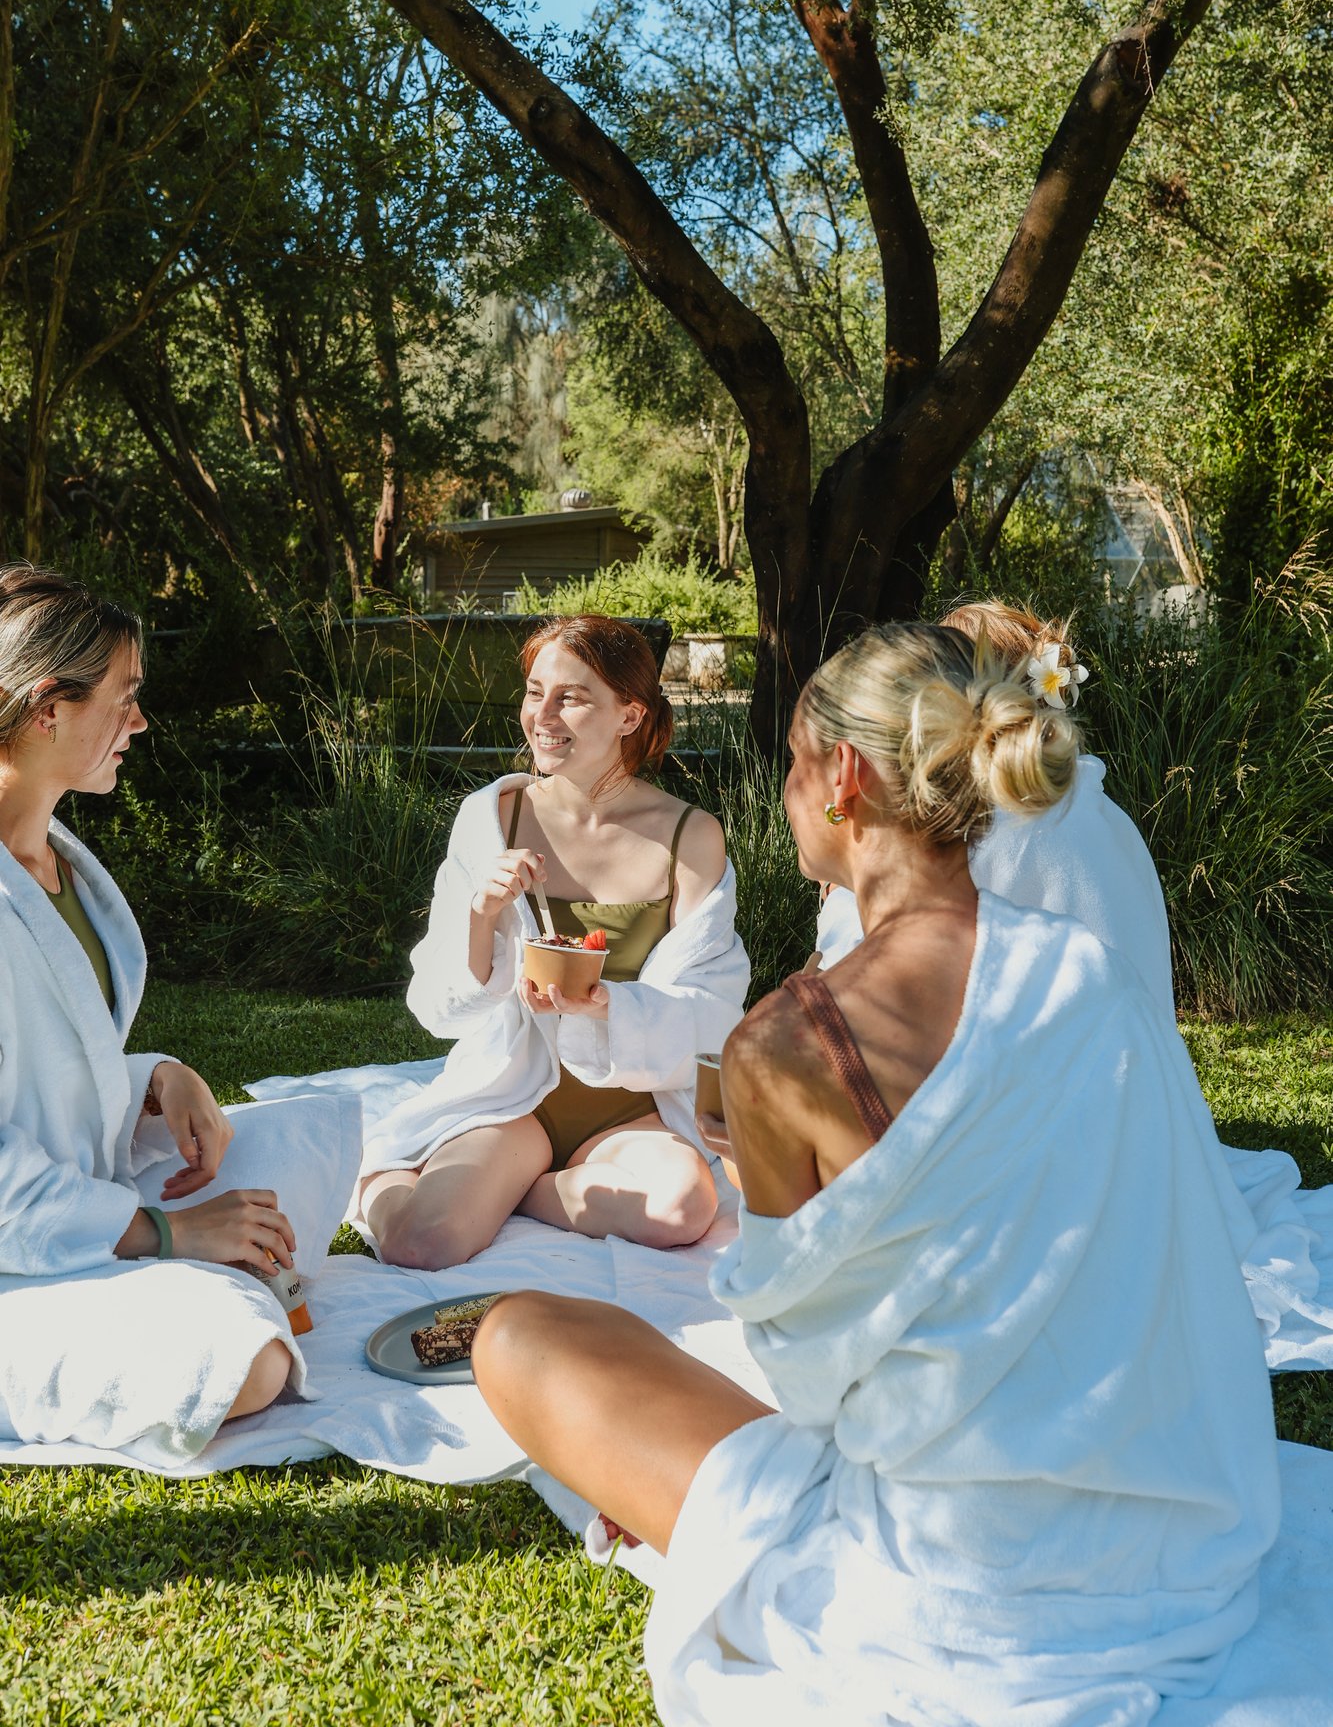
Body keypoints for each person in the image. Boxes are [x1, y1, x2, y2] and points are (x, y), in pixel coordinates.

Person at [472, 623, 1278, 1727]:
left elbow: (809, 1388)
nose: (792, 789)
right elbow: (1189, 1239)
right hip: (1173, 1538)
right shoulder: (1089, 972)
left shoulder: (787, 1045)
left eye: (798, 764)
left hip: (947, 1590)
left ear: (842, 777)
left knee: (519, 1335)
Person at [0, 564, 303, 1460]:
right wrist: (167, 1232)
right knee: (245, 1365)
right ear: (48, 706)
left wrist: (156, 1079)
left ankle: (185, 1272)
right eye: (125, 699)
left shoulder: (55, 862)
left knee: (305, 1135)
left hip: (70, 1208)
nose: (139, 722)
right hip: (24, 1245)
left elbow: (40, 1066)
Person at [355, 615, 748, 1269]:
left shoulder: (688, 836)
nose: (543, 715)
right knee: (423, 1241)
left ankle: (527, 1194)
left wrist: (606, 1008)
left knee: (681, 1209)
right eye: (535, 692)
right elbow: (436, 1007)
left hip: (633, 1107)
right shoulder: (495, 816)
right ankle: (383, 1175)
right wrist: (482, 912)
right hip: (514, 1096)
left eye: (571, 697)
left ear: (628, 715)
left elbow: (713, 1010)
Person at [816, 600, 1174, 1016]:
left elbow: (865, 975)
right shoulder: (1104, 812)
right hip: (1143, 1069)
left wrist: (842, 892)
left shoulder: (990, 829)